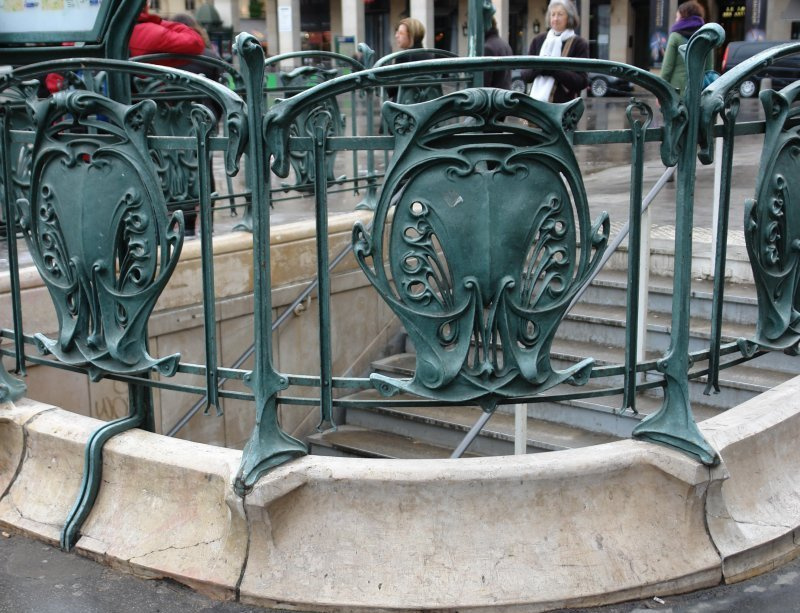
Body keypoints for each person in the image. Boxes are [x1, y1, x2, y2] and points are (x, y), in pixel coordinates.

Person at [522, 0, 589, 102]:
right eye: (552, 14)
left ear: (569, 17)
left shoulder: (579, 43)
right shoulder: (538, 40)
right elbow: (525, 75)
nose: (555, 19)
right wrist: (540, 67)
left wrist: (553, 70)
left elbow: (582, 81)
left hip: (565, 107)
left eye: (560, 14)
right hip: (536, 107)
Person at [660, 1, 713, 95]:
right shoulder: (707, 36)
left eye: (677, 17)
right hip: (699, 92)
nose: (676, 20)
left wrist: (660, 90)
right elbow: (709, 69)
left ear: (684, 17)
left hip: (676, 91)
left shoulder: (675, 36)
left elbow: (667, 68)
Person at [483, 16, 513, 90]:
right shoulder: (505, 44)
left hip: (492, 97)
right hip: (505, 95)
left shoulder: (487, 47)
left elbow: (485, 82)